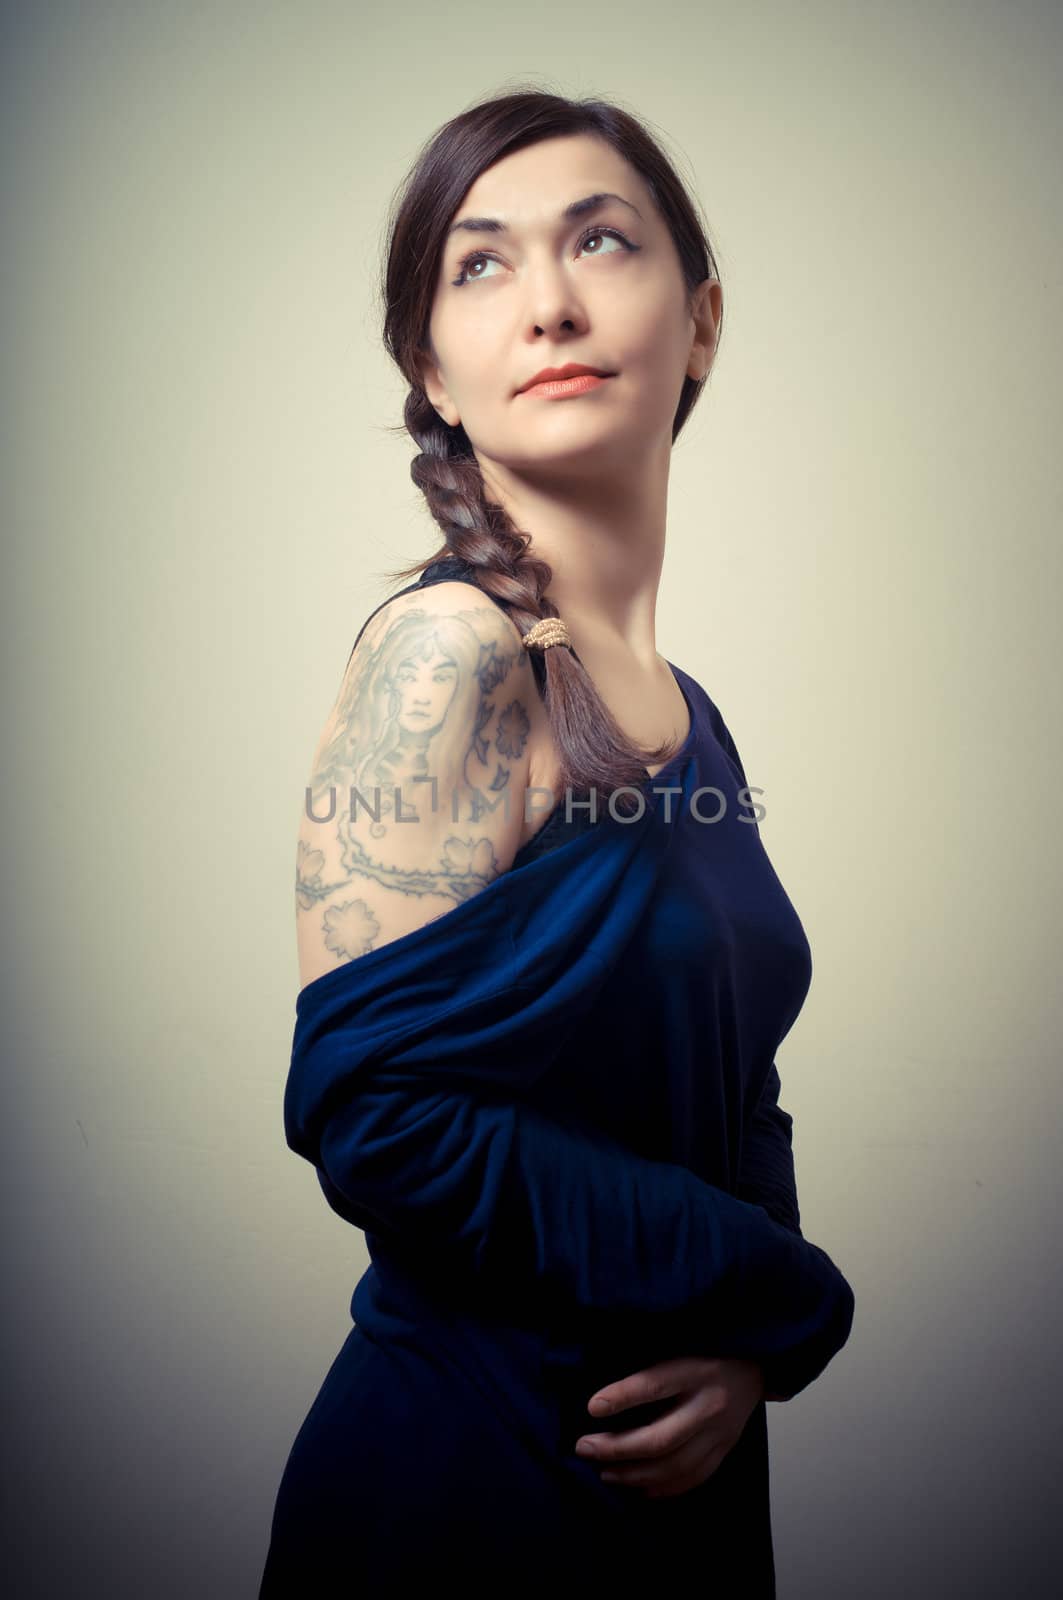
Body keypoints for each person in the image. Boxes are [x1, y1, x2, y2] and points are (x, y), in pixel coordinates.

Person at [259, 86, 855, 1596]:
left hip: (680, 1484)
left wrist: (738, 1355)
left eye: (604, 239)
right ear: (430, 370)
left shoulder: (682, 706)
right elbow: (375, 1115)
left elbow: (730, 1073)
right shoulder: (449, 652)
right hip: (470, 1491)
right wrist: (785, 1296)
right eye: (482, 264)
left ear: (700, 320)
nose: (550, 302)